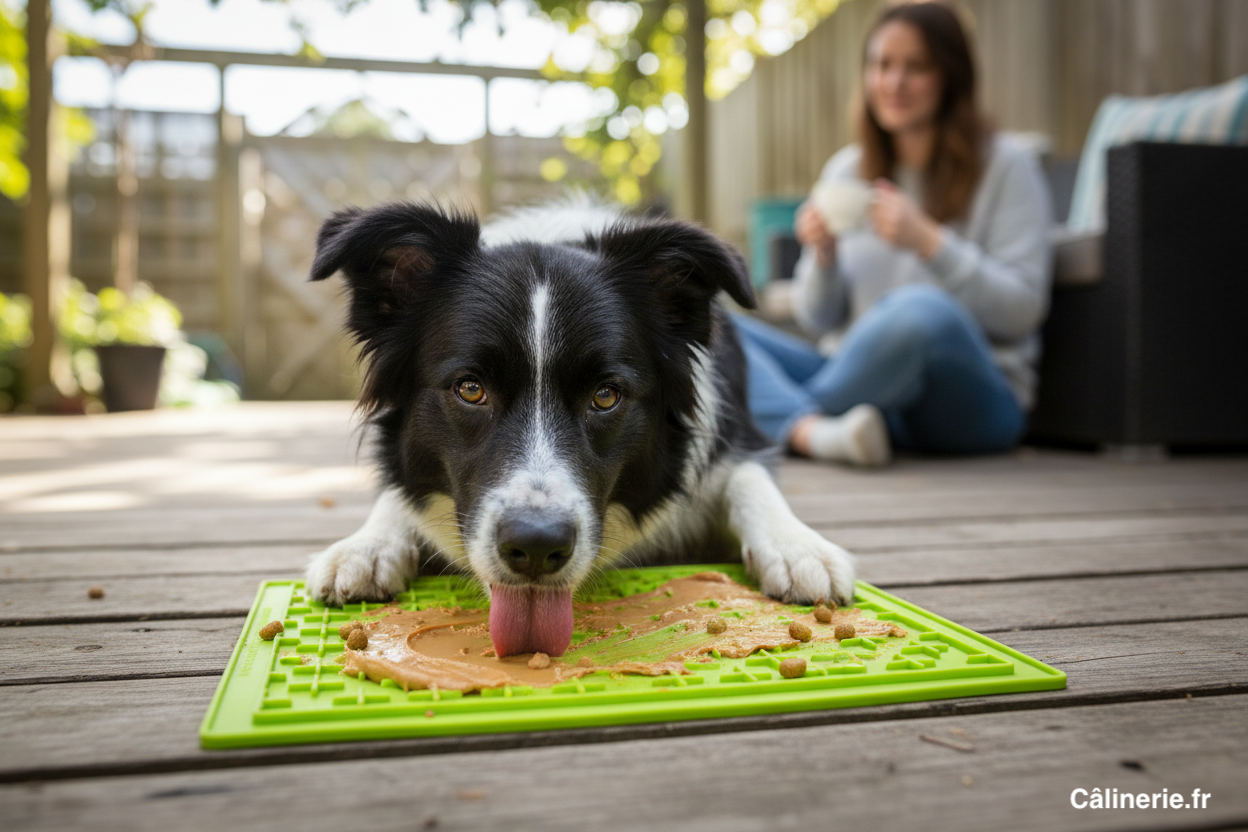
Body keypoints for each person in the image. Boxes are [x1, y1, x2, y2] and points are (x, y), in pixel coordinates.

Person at [735, 1, 1052, 466]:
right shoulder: (847, 169)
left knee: (920, 310)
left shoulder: (1007, 166)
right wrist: (822, 258)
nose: (894, 82)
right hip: (862, 392)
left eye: (916, 67)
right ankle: (818, 430)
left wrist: (929, 242)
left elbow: (1023, 309)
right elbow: (817, 318)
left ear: (951, 75)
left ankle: (794, 420)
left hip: (969, 405)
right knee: (712, 321)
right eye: (882, 65)